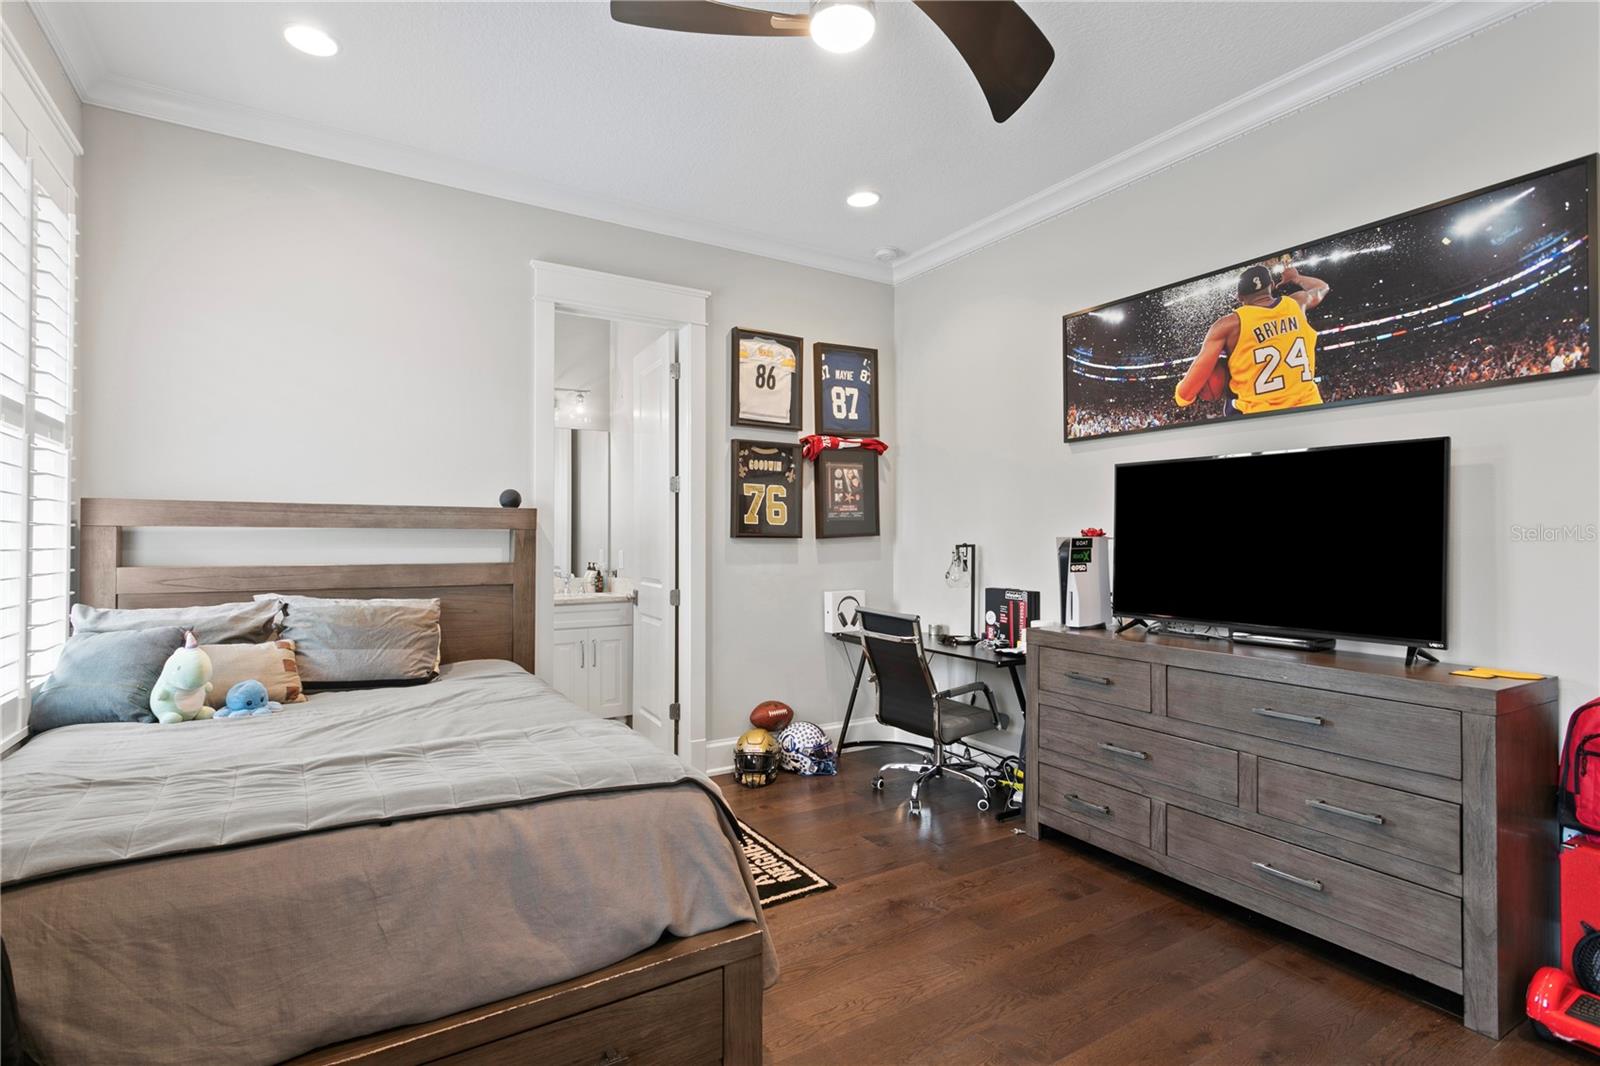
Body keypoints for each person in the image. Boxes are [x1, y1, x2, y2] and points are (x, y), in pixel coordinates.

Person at [1174, 261, 1330, 414]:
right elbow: (1322, 287)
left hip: (1259, 418)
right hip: (1311, 411)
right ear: (1272, 285)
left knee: (1231, 405)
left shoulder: (1227, 325)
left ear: (1239, 297)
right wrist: (1296, 278)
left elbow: (1184, 395)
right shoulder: (1297, 303)